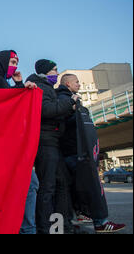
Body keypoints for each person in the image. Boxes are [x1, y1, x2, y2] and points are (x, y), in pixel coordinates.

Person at [0, 50, 38, 234]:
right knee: (28, 185)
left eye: (17, 61)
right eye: (12, 61)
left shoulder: (3, 81)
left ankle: (23, 228)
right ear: (3, 61)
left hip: (8, 143)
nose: (15, 65)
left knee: (30, 185)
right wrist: (19, 88)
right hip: (0, 144)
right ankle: (25, 229)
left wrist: (19, 84)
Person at [57, 74, 126, 233]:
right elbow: (64, 123)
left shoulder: (67, 98)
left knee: (74, 188)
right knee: (92, 187)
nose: (79, 85)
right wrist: (75, 110)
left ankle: (76, 218)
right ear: (68, 83)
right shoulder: (66, 100)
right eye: (77, 82)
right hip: (77, 151)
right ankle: (101, 222)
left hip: (71, 151)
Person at [26, 59, 78, 234]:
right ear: (45, 72)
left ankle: (60, 226)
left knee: (62, 183)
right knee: (47, 187)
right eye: (54, 70)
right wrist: (69, 102)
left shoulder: (48, 88)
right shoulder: (38, 88)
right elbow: (46, 110)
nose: (56, 73)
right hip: (45, 142)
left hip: (54, 142)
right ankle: (45, 228)